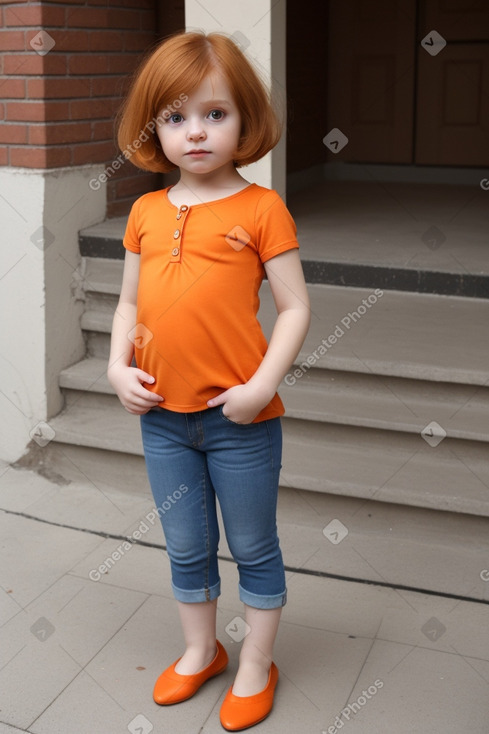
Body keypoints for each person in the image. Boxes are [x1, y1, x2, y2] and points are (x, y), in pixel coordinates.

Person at [108, 30, 310, 731]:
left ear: (245, 120)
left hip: (240, 423)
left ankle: (256, 661)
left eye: (214, 114)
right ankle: (202, 652)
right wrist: (114, 366)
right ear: (152, 128)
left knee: (253, 544)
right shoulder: (144, 211)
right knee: (185, 544)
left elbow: (295, 307)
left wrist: (258, 387)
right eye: (174, 116)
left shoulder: (261, 210)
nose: (194, 131)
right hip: (162, 419)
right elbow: (130, 303)